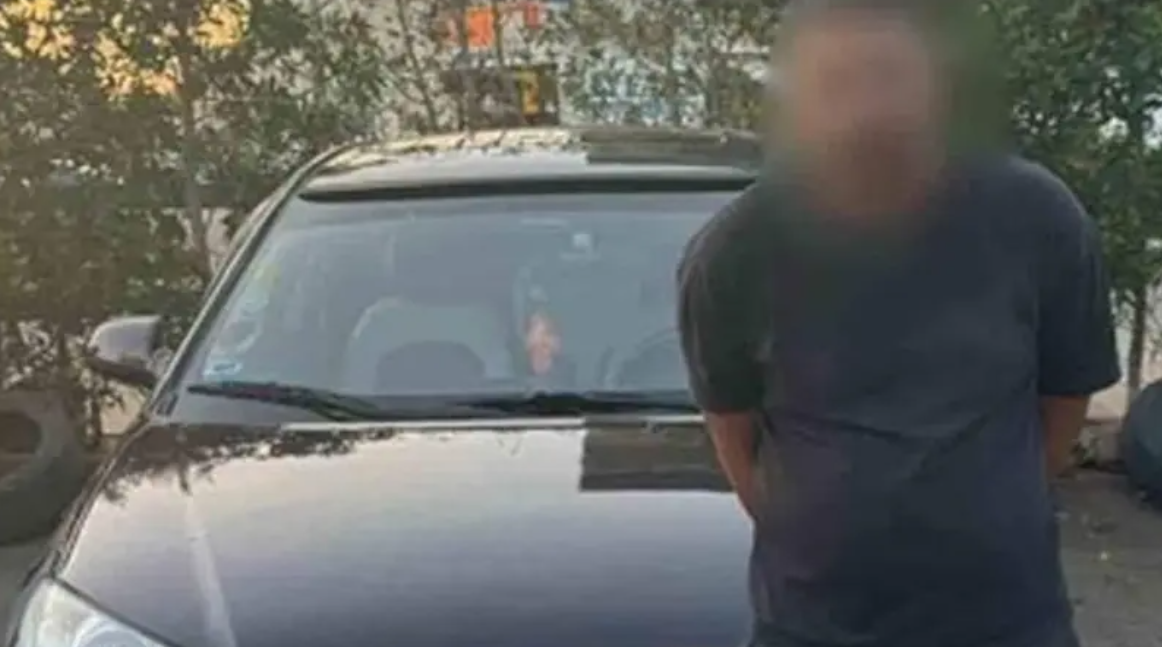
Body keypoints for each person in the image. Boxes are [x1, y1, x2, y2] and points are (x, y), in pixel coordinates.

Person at [675, 1, 1121, 646]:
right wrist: (823, 539)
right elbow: (733, 432)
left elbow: (1063, 402)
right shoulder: (737, 250)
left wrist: (990, 514)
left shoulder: (1039, 219)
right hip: (810, 628)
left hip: (1008, 624)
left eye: (887, 75)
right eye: (837, 82)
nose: (867, 110)